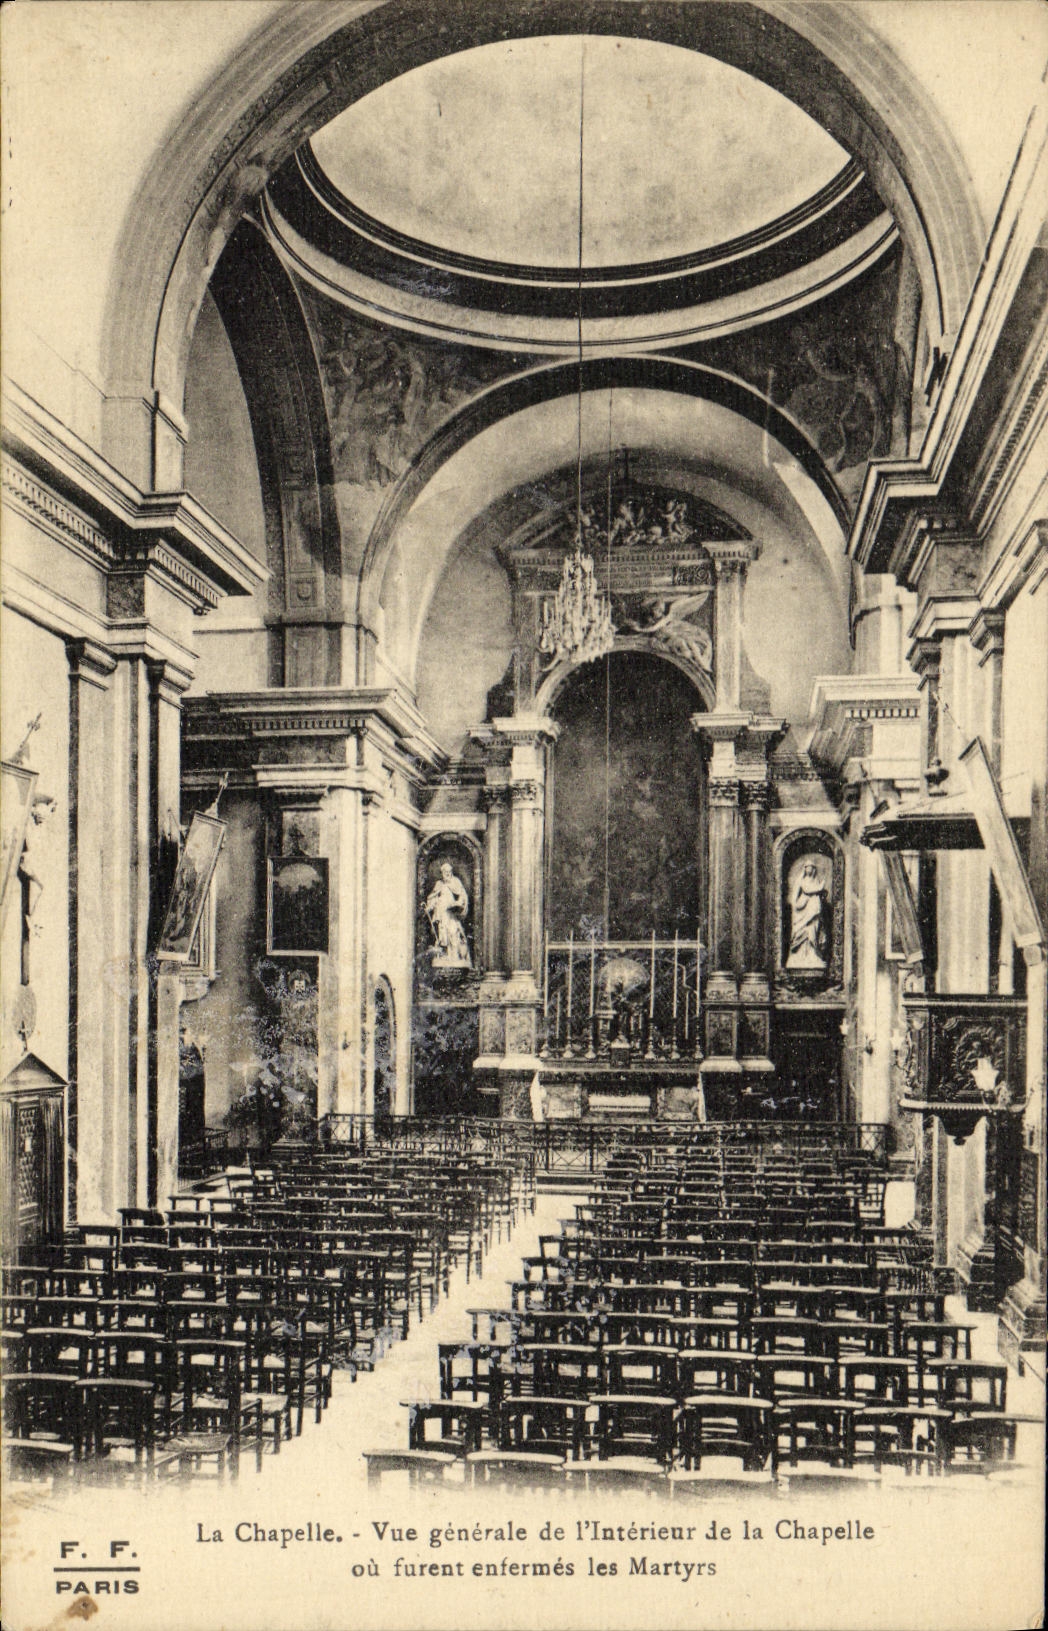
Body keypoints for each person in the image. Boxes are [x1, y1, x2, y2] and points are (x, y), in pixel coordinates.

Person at [425, 861, 471, 968]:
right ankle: (445, 955)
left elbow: (462, 895)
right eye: (445, 872)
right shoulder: (439, 884)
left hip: (452, 913)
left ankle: (455, 956)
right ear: (442, 873)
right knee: (442, 934)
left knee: (453, 932)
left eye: (449, 872)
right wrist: (429, 906)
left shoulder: (456, 882)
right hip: (441, 913)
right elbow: (433, 897)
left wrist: (458, 903)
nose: (447, 874)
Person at [786, 858, 830, 969]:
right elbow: (805, 890)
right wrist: (819, 888)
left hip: (814, 912)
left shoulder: (815, 881)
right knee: (802, 932)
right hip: (803, 912)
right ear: (804, 869)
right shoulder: (802, 881)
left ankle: (813, 956)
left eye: (811, 867)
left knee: (813, 932)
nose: (809, 869)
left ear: (814, 869)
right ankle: (798, 957)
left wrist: (822, 891)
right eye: (807, 867)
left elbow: (819, 894)